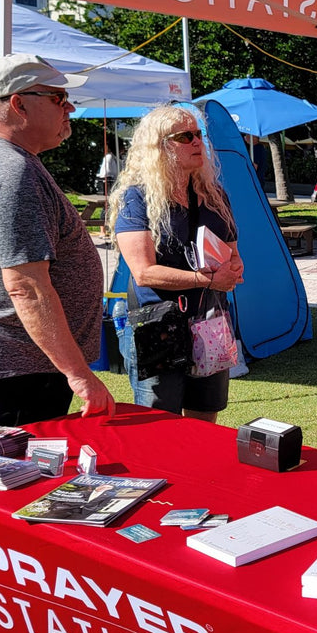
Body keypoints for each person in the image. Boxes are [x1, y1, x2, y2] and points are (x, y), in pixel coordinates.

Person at [0, 53, 116, 428]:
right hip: (20, 365)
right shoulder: (9, 170)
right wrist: (78, 374)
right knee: (26, 476)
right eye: (57, 98)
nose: (69, 107)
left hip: (21, 360)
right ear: (18, 104)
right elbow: (26, 286)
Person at [111, 104, 243, 421]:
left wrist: (233, 269)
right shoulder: (137, 197)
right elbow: (143, 273)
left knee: (205, 416)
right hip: (157, 324)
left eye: (199, 134)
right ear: (160, 146)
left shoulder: (213, 194)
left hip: (209, 319)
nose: (198, 142)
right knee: (161, 423)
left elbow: (234, 255)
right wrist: (207, 280)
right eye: (186, 136)